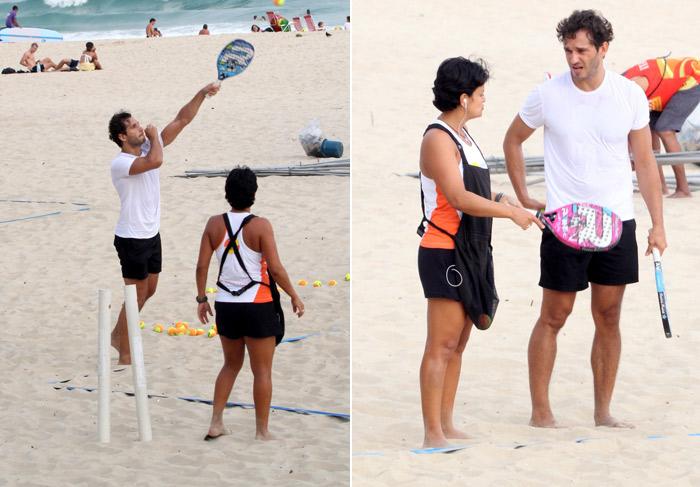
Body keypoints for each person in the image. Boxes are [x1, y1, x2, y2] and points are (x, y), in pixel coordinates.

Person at [503, 9, 666, 429]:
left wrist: (658, 223)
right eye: (568, 50)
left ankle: (603, 412)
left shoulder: (629, 95)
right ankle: (541, 411)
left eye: (581, 50)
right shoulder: (547, 94)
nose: (573, 58)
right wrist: (523, 195)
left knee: (609, 317)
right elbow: (513, 140)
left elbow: (645, 163)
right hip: (563, 222)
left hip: (618, 222)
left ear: (603, 49)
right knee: (554, 316)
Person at [418, 57, 542, 448]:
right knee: (440, 345)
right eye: (481, 94)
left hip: (474, 249)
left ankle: (448, 423)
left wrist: (509, 200)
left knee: (459, 344)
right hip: (443, 249)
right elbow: (456, 197)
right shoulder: (437, 138)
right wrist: (508, 213)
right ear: (463, 97)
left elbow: (473, 190)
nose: (486, 100)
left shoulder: (465, 136)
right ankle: (432, 432)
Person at [108, 82, 220, 365]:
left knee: (150, 291)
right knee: (137, 295)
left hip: (151, 234)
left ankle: (117, 333)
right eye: (133, 126)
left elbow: (181, 120)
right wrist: (155, 137)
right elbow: (156, 161)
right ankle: (123, 351)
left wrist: (202, 94)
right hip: (131, 237)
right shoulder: (120, 163)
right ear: (122, 136)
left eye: (137, 123)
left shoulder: (147, 145)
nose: (140, 127)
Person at [196, 166, 304, 440]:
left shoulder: (213, 223)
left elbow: (201, 267)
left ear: (227, 193)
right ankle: (262, 431)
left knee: (230, 365)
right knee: (262, 371)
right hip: (257, 303)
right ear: (254, 193)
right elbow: (276, 269)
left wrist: (201, 298)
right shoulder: (260, 225)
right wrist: (293, 294)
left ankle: (216, 422)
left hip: (226, 304)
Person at [623, 57, 700, 198]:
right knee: (649, 128)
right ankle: (660, 186)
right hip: (659, 86)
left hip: (692, 77)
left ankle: (683, 189)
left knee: (665, 129)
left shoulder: (626, 90)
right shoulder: (618, 91)